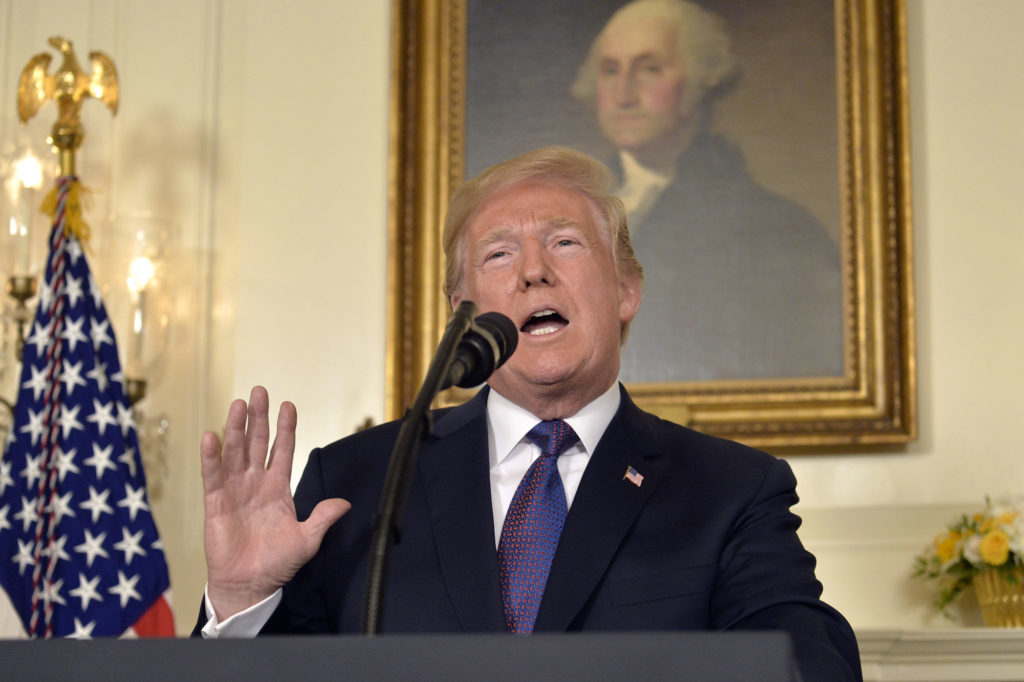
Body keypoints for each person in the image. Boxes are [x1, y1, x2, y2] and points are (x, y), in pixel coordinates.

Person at [194, 146, 861, 681]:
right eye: (499, 253)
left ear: (626, 289)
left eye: (566, 243)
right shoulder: (358, 482)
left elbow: (804, 659)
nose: (534, 272)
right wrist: (241, 601)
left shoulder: (730, 491)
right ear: (463, 309)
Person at [571, 0, 844, 382]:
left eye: (649, 69)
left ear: (702, 78)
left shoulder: (776, 228)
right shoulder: (567, 211)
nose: (623, 94)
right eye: (610, 70)